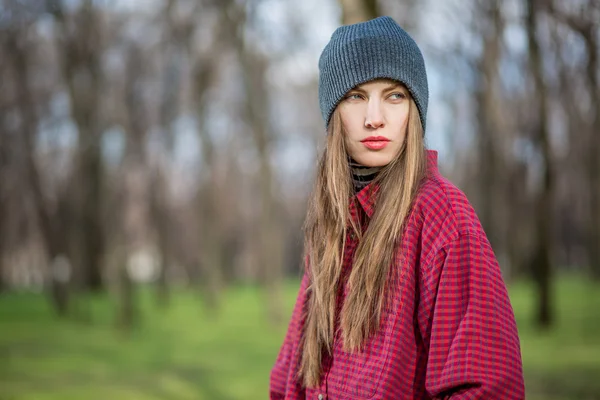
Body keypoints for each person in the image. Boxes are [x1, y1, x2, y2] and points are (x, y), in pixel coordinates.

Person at [270, 16, 525, 400]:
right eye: (356, 96)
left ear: (414, 111)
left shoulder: (442, 217)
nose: (375, 118)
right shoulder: (331, 224)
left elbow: (487, 387)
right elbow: (289, 379)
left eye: (394, 96)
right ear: (333, 112)